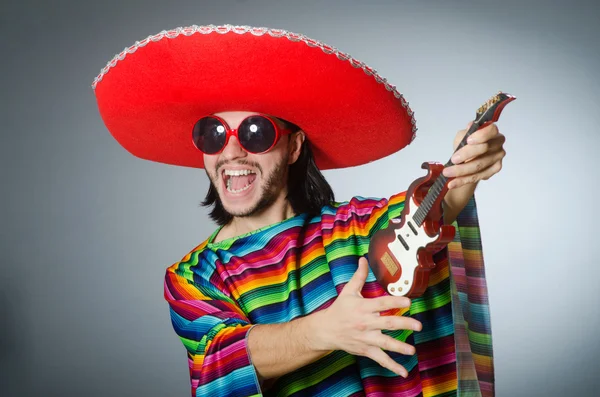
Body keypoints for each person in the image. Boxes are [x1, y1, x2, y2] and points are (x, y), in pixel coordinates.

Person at [92, 24, 505, 397]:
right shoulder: (194, 277)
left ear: (293, 147)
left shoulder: (354, 228)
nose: (231, 151)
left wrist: (465, 171)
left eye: (255, 132)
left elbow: (425, 218)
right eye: (213, 133)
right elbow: (221, 360)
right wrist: (326, 330)